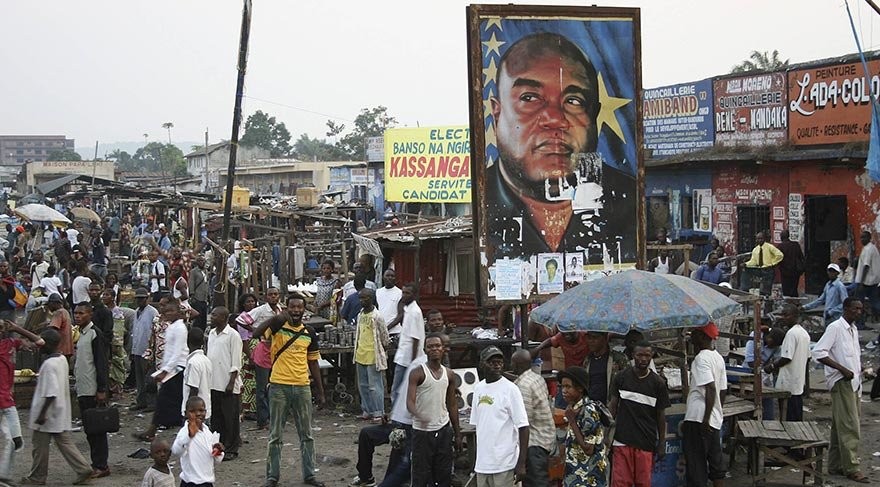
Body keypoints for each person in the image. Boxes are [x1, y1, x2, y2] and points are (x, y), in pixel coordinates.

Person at [486, 32, 636, 264]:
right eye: (529, 97)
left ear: (593, 116)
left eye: (574, 101)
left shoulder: (630, 202)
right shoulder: (481, 201)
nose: (556, 119)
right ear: (497, 113)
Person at [252, 293, 326, 487]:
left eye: (299, 308)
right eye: (292, 307)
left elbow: (313, 363)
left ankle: (309, 475)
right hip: (278, 387)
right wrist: (276, 318)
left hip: (302, 387)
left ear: (304, 309)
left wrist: (320, 391)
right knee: (275, 435)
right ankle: (272, 477)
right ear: (286, 308)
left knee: (307, 435)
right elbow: (255, 333)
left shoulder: (309, 333)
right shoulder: (277, 328)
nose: (296, 311)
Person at [21, 328, 94, 486]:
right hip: (60, 411)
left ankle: (37, 477)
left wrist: (42, 414)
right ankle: (83, 468)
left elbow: (51, 392)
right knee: (65, 443)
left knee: (39, 448)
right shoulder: (61, 359)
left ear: (47, 345)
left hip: (47, 414)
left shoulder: (49, 364)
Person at [812, 298, 869, 482]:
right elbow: (819, 352)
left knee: (839, 426)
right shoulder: (835, 328)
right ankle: (852, 467)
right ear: (845, 309)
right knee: (850, 426)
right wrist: (841, 369)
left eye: (860, 309)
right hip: (841, 382)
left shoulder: (853, 330)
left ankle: (835, 465)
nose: (858, 313)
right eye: (855, 309)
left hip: (854, 383)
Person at [609, 340, 669, 487]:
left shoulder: (658, 383)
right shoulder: (621, 377)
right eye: (639, 355)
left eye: (647, 355)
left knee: (643, 483)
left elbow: (661, 416)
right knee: (621, 483)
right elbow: (613, 408)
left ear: (652, 356)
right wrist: (606, 435)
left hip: (646, 441)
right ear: (632, 355)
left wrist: (661, 442)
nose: (643, 359)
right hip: (622, 440)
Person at [407, 333, 460, 487]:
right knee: (420, 475)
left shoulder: (449, 374)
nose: (434, 349)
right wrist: (419, 415)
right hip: (422, 433)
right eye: (430, 346)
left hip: (443, 429)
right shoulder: (417, 373)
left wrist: (457, 434)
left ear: (443, 349)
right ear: (425, 350)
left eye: (437, 346)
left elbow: (452, 405)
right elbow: (410, 402)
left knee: (443, 474)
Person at [470, 346, 529, 486]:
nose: (496, 365)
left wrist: (521, 464)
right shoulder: (478, 388)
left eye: (499, 362)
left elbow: (524, 427)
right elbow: (478, 426)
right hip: (483, 465)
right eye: (491, 362)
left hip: (505, 464)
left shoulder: (511, 389)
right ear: (481, 364)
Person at [682, 324, 727, 487]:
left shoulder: (701, 359)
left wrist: (706, 419)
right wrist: (716, 412)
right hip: (713, 418)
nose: (691, 337)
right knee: (716, 464)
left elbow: (710, 388)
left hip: (698, 418)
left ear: (701, 336)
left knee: (696, 466)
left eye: (693, 334)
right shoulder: (718, 358)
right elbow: (722, 390)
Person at [136, 298, 188, 442]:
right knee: (168, 400)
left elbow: (177, 352)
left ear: (178, 312)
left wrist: (166, 370)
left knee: (167, 399)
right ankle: (154, 430)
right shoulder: (170, 327)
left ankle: (153, 430)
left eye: (171, 311)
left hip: (178, 368)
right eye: (166, 312)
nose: (169, 314)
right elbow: (169, 352)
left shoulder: (180, 328)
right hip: (170, 367)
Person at [0, 319, 44, 482]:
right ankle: (4, 476)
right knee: (13, 441)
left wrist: (18, 328)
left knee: (16, 441)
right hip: (5, 401)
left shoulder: (11, 344)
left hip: (7, 400)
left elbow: (39, 342)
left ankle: (4, 475)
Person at [72, 302, 111, 479]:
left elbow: (101, 364)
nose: (78, 316)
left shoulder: (95, 334)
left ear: (90, 314)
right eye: (76, 313)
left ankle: (101, 465)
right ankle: (96, 463)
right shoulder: (81, 335)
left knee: (97, 430)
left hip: (92, 389)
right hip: (83, 388)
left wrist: (102, 389)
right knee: (90, 430)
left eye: (81, 313)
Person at [558, 366, 608, 487]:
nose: (564, 391)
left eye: (568, 387)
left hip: (588, 477)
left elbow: (588, 448)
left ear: (580, 388)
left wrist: (572, 422)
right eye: (562, 387)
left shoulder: (588, 410)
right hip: (575, 474)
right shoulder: (574, 408)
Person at [510, 350, 554, 487]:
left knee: (535, 482)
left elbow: (523, 422)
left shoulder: (523, 386)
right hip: (545, 437)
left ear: (517, 365)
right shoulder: (536, 377)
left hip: (534, 442)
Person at [206, 306, 243, 461]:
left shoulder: (233, 335)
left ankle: (232, 447)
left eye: (214, 315)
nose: (211, 317)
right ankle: (219, 445)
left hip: (227, 383)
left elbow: (236, 361)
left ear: (223, 318)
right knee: (217, 417)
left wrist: (231, 381)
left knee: (231, 418)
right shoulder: (212, 334)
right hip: (214, 382)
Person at [764, 304, 811, 420]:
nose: (783, 318)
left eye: (787, 315)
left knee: (788, 415)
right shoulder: (804, 333)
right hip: (798, 381)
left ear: (795, 316)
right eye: (783, 315)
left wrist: (772, 366)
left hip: (789, 381)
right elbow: (808, 357)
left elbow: (786, 358)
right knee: (797, 413)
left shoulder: (791, 334)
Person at [245, 289, 283, 428]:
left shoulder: (279, 309)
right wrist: (254, 329)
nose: (273, 297)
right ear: (266, 297)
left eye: (275, 294)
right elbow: (241, 319)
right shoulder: (261, 310)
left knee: (273, 386)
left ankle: (273, 417)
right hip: (263, 352)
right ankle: (262, 420)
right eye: (271, 294)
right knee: (262, 388)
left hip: (275, 352)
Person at [171, 396, 224, 487]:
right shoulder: (184, 432)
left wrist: (218, 451)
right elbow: (176, 451)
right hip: (191, 482)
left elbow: (216, 459)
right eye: (192, 411)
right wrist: (189, 436)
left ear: (205, 412)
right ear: (186, 414)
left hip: (207, 481)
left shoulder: (207, 432)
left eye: (201, 410)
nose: (198, 414)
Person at [354, 288, 390, 421]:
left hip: (373, 355)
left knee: (375, 386)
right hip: (360, 353)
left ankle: (378, 412)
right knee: (363, 385)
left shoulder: (377, 316)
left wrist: (384, 350)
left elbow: (384, 335)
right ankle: (367, 410)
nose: (362, 301)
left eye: (365, 298)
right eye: (361, 298)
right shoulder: (360, 314)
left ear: (372, 299)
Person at [390, 283, 425, 406]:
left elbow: (416, 339)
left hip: (407, 359)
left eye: (407, 293)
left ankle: (397, 418)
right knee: (400, 389)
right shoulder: (408, 310)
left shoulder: (415, 312)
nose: (404, 295)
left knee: (397, 390)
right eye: (403, 292)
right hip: (403, 356)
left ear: (414, 295)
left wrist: (413, 362)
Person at [130, 287, 159, 411]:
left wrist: (151, 350)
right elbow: (134, 332)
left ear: (147, 298)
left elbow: (155, 332)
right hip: (137, 349)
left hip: (147, 350)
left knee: (149, 378)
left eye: (142, 298)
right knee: (139, 378)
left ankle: (151, 403)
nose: (140, 301)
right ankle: (141, 401)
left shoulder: (152, 312)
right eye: (138, 299)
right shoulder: (136, 312)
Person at [582, 331, 629, 405]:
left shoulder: (618, 359)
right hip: (591, 406)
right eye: (589, 338)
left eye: (595, 338)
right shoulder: (588, 359)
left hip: (610, 406)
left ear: (605, 338)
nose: (591, 341)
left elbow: (628, 384)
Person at [182, 328, 212, 423]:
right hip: (205, 409)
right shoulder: (206, 360)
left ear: (187, 342)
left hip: (195, 413)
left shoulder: (192, 362)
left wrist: (189, 411)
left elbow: (194, 389)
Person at [742, 231, 783, 296]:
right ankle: (744, 289)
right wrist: (746, 264)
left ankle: (766, 297)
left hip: (768, 270)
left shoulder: (769, 247)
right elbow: (753, 261)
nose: (759, 240)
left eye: (761, 238)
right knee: (745, 270)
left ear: (764, 239)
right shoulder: (755, 249)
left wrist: (772, 263)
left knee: (766, 290)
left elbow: (780, 255)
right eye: (758, 239)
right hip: (760, 269)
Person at [856, 230, 880, 322]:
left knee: (858, 303)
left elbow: (866, 266)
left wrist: (862, 282)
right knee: (875, 302)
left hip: (866, 282)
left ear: (869, 238)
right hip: (873, 281)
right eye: (861, 237)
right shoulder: (872, 248)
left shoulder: (868, 249)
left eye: (864, 237)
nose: (862, 239)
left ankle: (860, 323)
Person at [777, 230, 805, 297]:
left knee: (786, 290)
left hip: (785, 272)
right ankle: (795, 303)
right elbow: (801, 257)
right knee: (794, 289)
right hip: (795, 271)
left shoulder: (780, 246)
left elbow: (778, 259)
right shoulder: (795, 245)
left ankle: (788, 303)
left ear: (781, 237)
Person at [46, 293, 74, 358]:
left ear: (53, 303)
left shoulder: (59, 312)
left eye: (49, 305)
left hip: (61, 348)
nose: (49, 307)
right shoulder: (65, 311)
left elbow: (53, 329)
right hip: (68, 348)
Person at [376, 269, 402, 335]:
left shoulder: (399, 293)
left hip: (395, 331)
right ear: (383, 277)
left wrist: (387, 328)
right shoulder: (378, 292)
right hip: (380, 331)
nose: (390, 278)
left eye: (392, 276)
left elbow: (401, 314)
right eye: (387, 275)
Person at [188, 255, 209, 330]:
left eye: (202, 261)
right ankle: (196, 331)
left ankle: (202, 331)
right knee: (198, 317)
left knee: (204, 317)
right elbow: (191, 283)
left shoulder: (206, 271)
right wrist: (192, 294)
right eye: (199, 261)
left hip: (204, 297)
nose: (201, 262)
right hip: (197, 297)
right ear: (197, 262)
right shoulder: (194, 272)